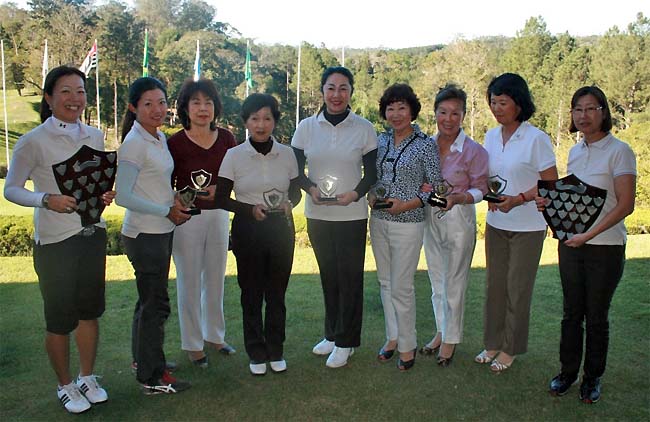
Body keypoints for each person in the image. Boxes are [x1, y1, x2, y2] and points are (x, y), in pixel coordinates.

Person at [3, 66, 112, 413]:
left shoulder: (94, 135)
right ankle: (65, 385)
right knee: (59, 318)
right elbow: (12, 188)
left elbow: (95, 180)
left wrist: (104, 194)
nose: (74, 99)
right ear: (49, 98)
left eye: (80, 91)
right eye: (65, 91)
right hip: (55, 242)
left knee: (89, 312)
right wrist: (45, 199)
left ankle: (87, 377)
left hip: (91, 234)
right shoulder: (33, 140)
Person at [540, 87, 636, 403]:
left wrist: (587, 235)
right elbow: (576, 200)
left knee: (596, 316)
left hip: (605, 247)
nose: (584, 115)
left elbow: (625, 205)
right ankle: (567, 373)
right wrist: (551, 206)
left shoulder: (620, 151)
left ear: (604, 112)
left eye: (591, 108)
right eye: (577, 109)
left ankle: (592, 378)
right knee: (571, 314)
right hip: (571, 245)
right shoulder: (576, 151)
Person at [291, 66, 378, 368]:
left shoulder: (364, 128)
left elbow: (372, 173)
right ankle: (331, 333)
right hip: (317, 213)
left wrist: (356, 193)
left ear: (351, 92)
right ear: (322, 91)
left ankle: (347, 342)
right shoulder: (305, 127)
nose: (337, 94)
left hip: (351, 215)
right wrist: (310, 189)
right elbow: (294, 170)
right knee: (329, 276)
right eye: (331, 88)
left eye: (343, 88)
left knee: (350, 278)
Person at [475, 73, 558, 373]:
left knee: (517, 289)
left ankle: (510, 349)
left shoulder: (536, 139)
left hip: (528, 225)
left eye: (503, 102)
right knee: (495, 286)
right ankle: (492, 343)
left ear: (519, 104)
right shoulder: (490, 136)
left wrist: (518, 199)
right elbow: (487, 176)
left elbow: (551, 184)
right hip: (497, 222)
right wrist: (488, 194)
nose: (497, 109)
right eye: (493, 102)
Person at [116, 77, 192, 394]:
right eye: (148, 103)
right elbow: (123, 196)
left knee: (147, 303)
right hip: (145, 234)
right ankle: (152, 376)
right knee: (156, 305)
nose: (157, 109)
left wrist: (173, 198)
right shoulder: (134, 143)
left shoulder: (156, 138)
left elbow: (152, 185)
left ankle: (144, 360)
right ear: (134, 108)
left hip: (160, 231)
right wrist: (165, 211)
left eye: (162, 102)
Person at [215, 93, 300, 376]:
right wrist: (249, 209)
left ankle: (275, 349)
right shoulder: (233, 155)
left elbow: (296, 192)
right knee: (250, 293)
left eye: (267, 118)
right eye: (255, 119)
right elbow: (222, 198)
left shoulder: (287, 154)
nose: (261, 125)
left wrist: (291, 204)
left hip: (279, 230)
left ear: (275, 121)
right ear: (246, 122)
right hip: (247, 230)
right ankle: (256, 351)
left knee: (276, 294)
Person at [368, 83, 440, 371]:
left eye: (402, 107)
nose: (396, 114)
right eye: (390, 108)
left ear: (412, 111)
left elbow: (434, 186)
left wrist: (408, 204)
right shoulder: (380, 141)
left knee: (401, 286)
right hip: (380, 220)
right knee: (385, 283)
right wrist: (372, 194)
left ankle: (408, 345)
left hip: (408, 222)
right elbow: (372, 176)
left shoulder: (425, 144)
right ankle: (392, 338)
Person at [167, 78, 237, 367]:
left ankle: (215, 336)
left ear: (215, 107)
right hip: (187, 220)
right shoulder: (174, 142)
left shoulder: (227, 139)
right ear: (185, 107)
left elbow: (236, 177)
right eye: (196, 102)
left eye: (208, 102)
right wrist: (175, 199)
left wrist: (220, 190)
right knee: (189, 281)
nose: (202, 108)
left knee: (215, 278)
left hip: (219, 214)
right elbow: (164, 183)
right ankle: (193, 345)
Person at [420, 84, 489, 366]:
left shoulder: (474, 150)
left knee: (455, 282)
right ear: (435, 113)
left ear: (463, 115)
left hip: (459, 218)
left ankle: (450, 340)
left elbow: (482, 188)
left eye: (455, 113)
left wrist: (459, 197)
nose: (448, 119)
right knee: (436, 280)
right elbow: (420, 182)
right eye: (443, 112)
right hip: (430, 217)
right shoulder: (425, 146)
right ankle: (441, 330)